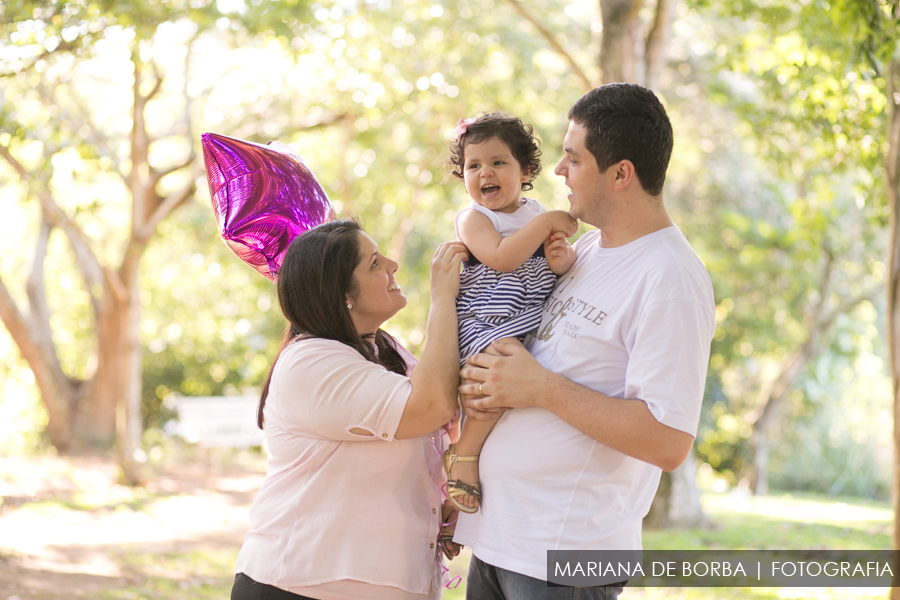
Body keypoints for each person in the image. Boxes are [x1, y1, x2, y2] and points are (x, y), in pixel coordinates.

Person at [453, 84, 717, 599]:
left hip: (564, 559)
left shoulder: (671, 278)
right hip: (501, 541)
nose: (557, 171)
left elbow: (668, 441)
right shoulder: (588, 248)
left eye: (573, 159)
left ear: (621, 174)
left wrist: (541, 388)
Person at [231, 219, 469, 600]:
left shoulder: (386, 351)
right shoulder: (310, 362)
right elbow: (430, 406)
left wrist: (440, 504)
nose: (392, 264)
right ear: (344, 294)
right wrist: (443, 299)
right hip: (302, 586)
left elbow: (440, 423)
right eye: (374, 262)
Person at [441, 113, 578, 515]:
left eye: (498, 162)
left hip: (525, 320)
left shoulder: (532, 211)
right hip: (485, 321)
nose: (486, 172)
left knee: (514, 377)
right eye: (474, 165)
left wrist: (560, 259)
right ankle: (463, 451)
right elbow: (501, 259)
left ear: (526, 170)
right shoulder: (474, 218)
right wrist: (546, 224)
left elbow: (551, 271)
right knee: (495, 376)